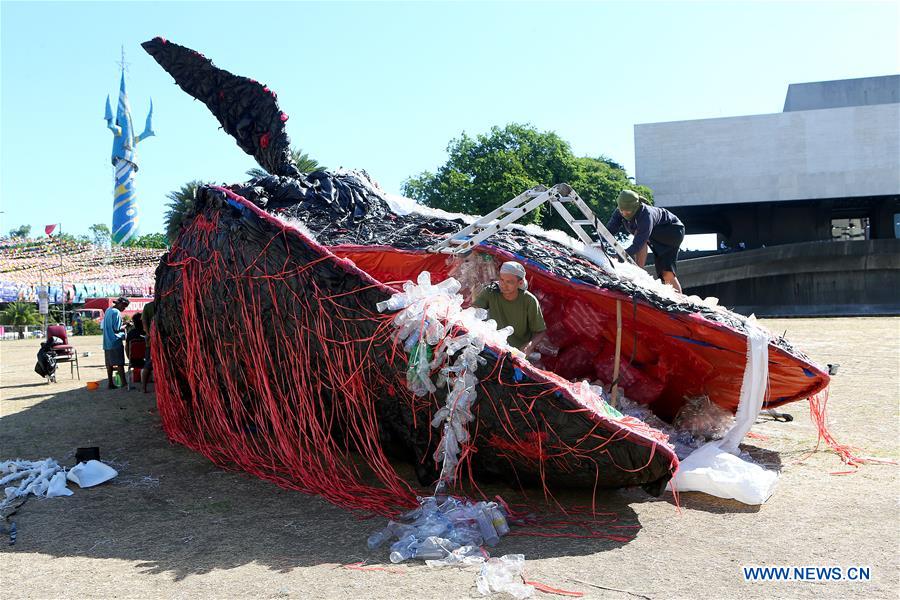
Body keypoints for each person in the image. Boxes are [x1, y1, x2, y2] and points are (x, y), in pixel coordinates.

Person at [606, 189, 685, 293]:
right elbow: (610, 230)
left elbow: (638, 243)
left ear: (635, 207)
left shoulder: (646, 215)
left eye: (627, 211)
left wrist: (619, 256)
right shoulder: (620, 210)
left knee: (667, 273)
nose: (624, 213)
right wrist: (601, 243)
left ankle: (639, 271)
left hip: (672, 232)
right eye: (622, 210)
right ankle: (639, 270)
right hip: (654, 234)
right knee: (665, 274)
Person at [473, 261, 546, 356]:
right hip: (492, 347)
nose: (503, 285)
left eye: (509, 282)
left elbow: (540, 331)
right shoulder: (491, 291)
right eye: (502, 280)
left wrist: (529, 346)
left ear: (520, 283)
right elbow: (474, 311)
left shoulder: (529, 301)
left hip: (516, 353)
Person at [102, 296, 129, 389]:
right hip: (115, 341)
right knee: (120, 363)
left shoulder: (108, 310)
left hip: (107, 342)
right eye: (124, 306)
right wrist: (126, 325)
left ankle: (110, 383)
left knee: (109, 364)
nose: (124, 309)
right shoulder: (116, 312)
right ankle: (124, 383)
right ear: (120, 304)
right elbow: (117, 329)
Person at [141, 300, 155, 393]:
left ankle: (144, 388)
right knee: (149, 365)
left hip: (151, 342)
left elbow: (144, 322)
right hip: (159, 341)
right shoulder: (164, 303)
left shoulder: (148, 306)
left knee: (148, 365)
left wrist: (148, 334)